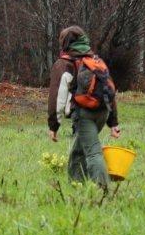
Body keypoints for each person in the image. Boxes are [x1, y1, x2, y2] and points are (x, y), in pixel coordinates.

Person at [47, 26, 120, 188]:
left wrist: (54, 125)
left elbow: (56, 98)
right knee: (78, 151)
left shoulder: (64, 63)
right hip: (103, 113)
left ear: (65, 43)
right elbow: (110, 90)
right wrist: (113, 122)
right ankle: (76, 186)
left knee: (93, 152)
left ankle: (103, 189)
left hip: (83, 114)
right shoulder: (96, 61)